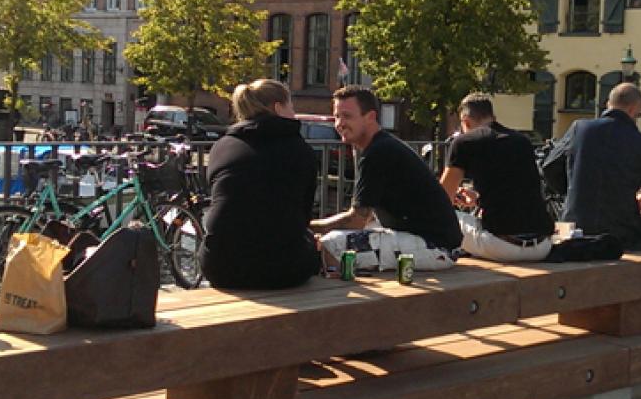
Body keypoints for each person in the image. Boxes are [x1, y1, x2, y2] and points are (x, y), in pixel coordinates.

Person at [312, 86, 461, 271]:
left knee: (332, 244)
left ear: (371, 117)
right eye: (336, 116)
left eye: (347, 116)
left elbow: (357, 219)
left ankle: (336, 295)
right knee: (345, 238)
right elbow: (367, 217)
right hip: (433, 242)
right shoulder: (381, 145)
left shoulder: (377, 152)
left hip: (434, 247)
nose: (339, 123)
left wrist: (306, 227)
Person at [202, 79, 321, 290]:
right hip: (284, 270)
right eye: (291, 106)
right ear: (278, 107)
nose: (294, 112)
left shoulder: (222, 146)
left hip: (220, 268)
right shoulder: (300, 150)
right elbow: (303, 216)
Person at [438, 94, 553, 262]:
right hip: (542, 246)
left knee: (448, 217)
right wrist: (478, 200)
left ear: (466, 121)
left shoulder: (464, 142)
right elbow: (515, 193)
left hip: (501, 246)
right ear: (493, 118)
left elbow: (441, 199)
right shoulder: (522, 141)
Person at [554, 83, 641, 251]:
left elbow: (549, 166)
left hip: (576, 228)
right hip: (622, 232)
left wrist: (572, 191)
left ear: (608, 104)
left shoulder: (579, 128)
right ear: (633, 110)